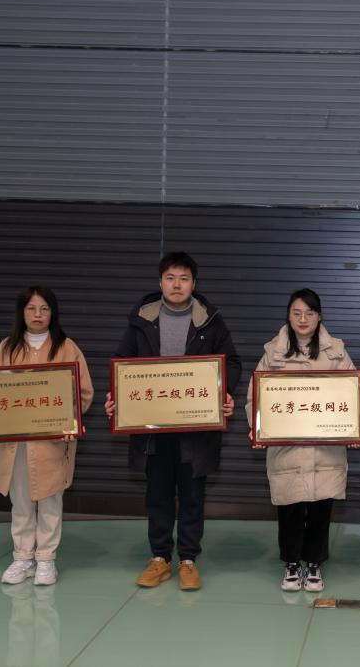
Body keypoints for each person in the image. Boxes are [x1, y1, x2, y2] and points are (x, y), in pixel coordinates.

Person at [105, 252, 241, 590]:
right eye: (170, 278)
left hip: (195, 428)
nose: (176, 284)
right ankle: (160, 558)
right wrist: (117, 398)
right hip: (154, 428)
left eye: (183, 278)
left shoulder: (210, 320)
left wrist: (224, 393)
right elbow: (122, 362)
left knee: (193, 495)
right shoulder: (142, 319)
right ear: (160, 282)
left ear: (194, 283)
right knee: (158, 494)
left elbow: (232, 363)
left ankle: (188, 560)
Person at [0, 286, 94, 585]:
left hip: (52, 443)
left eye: (44, 308)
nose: (37, 314)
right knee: (20, 501)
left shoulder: (67, 347)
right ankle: (22, 558)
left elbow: (84, 393)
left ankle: (46, 560)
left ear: (53, 313)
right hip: (15, 443)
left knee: (50, 501)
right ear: (21, 313)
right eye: (31, 308)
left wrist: (68, 420)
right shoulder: (6, 348)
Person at [245, 288, 360, 592]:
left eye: (309, 313)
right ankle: (291, 563)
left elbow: (353, 394)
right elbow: (255, 396)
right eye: (296, 313)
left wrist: (354, 429)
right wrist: (257, 427)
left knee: (321, 509)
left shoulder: (337, 352)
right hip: (287, 449)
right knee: (290, 508)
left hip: (325, 451)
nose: (303, 319)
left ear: (319, 316)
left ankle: (315, 563)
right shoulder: (273, 353)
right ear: (288, 316)